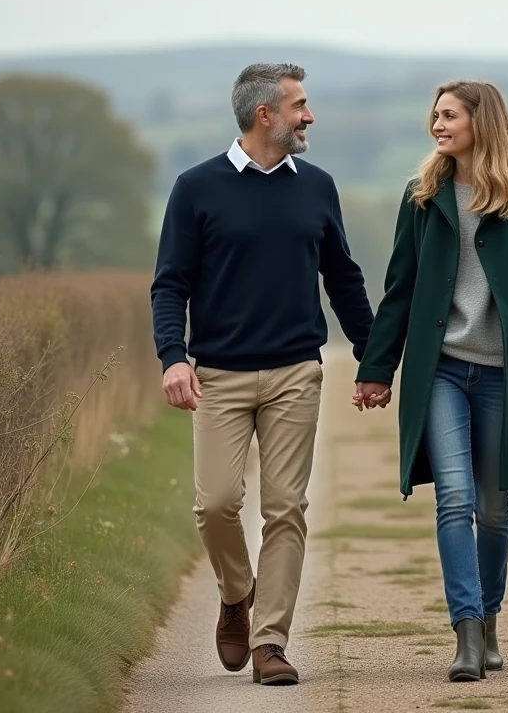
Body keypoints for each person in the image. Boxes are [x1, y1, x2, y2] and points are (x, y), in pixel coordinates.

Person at [150, 62, 373, 686]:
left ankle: (270, 642)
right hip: (217, 375)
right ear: (264, 115)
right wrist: (173, 356)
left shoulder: (317, 186)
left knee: (285, 509)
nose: (310, 116)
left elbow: (343, 277)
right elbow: (170, 285)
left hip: (296, 372)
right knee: (217, 503)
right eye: (300, 105)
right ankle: (235, 593)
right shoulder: (196, 188)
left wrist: (372, 355)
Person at [352, 80, 508, 682]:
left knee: (493, 509)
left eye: (448, 115)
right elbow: (399, 288)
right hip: (441, 371)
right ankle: (467, 634)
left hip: (505, 373)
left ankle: (491, 616)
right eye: (434, 114)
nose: (437, 124)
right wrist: (376, 368)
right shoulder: (422, 196)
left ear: (483, 121)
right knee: (454, 499)